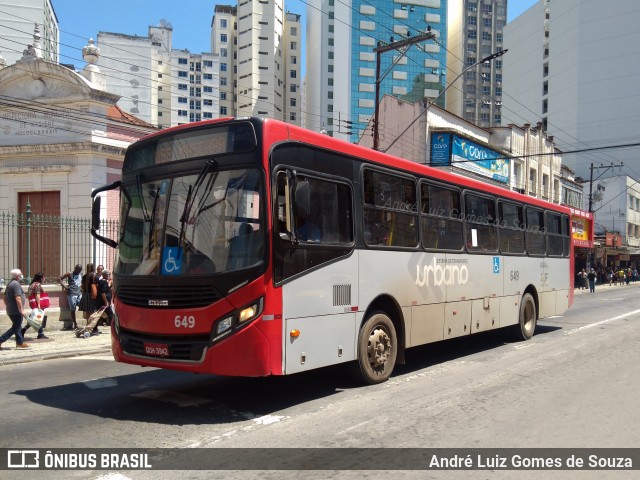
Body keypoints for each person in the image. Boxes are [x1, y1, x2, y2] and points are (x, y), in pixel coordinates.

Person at [0, 268, 29, 349]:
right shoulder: (16, 284)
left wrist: (8, 305)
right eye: (20, 274)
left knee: (17, 326)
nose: (22, 275)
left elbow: (4, 297)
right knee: (16, 327)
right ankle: (1, 340)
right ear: (17, 276)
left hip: (11, 309)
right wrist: (21, 310)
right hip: (16, 310)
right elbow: (18, 298)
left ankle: (19, 343)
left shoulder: (10, 284)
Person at [22, 272, 49, 339]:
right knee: (39, 318)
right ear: (40, 278)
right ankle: (40, 334)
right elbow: (37, 295)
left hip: (33, 303)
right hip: (37, 304)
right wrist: (39, 304)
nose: (44, 278)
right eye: (43, 277)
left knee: (34, 318)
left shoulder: (32, 284)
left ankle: (23, 330)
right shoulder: (37, 284)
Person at [59, 264, 83, 330]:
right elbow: (60, 279)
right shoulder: (70, 274)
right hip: (72, 294)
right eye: (77, 269)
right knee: (73, 309)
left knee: (82, 305)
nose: (78, 271)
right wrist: (65, 287)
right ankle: (75, 324)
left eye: (80, 270)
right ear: (75, 268)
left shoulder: (80, 274)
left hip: (79, 293)